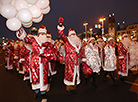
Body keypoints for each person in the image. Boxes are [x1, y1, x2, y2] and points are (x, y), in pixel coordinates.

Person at [57, 17, 92, 95]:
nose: (73, 35)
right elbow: (61, 34)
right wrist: (60, 25)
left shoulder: (78, 42)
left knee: (76, 74)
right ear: (69, 35)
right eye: (71, 34)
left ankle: (74, 88)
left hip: (77, 61)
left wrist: (84, 60)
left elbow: (81, 52)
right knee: (69, 74)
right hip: (69, 60)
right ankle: (69, 89)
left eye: (74, 34)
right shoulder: (66, 40)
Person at [16, 25, 50, 101]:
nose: (42, 35)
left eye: (43, 33)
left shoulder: (48, 41)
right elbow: (25, 39)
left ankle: (43, 92)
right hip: (35, 61)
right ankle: (36, 91)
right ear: (38, 33)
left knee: (43, 76)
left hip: (44, 61)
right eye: (41, 33)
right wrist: (20, 29)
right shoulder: (34, 39)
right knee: (36, 76)